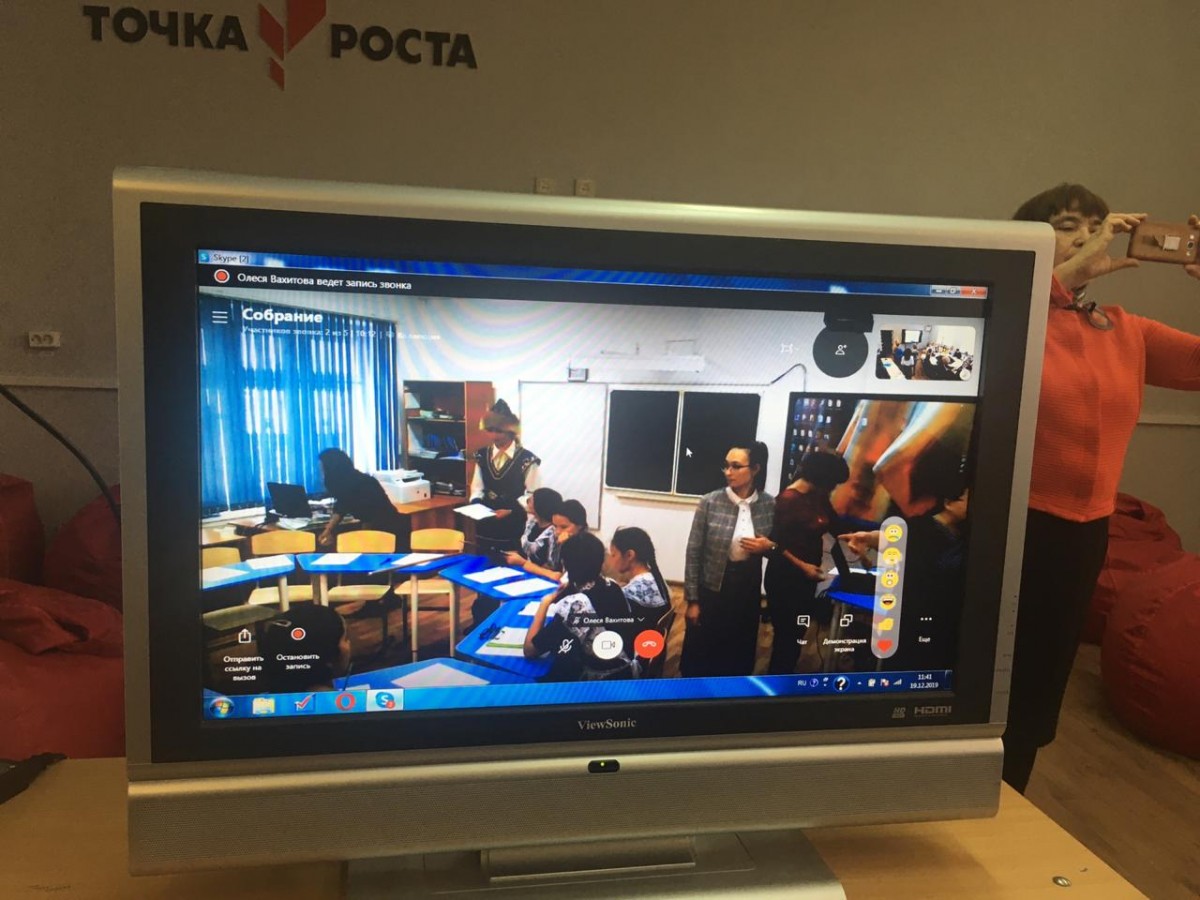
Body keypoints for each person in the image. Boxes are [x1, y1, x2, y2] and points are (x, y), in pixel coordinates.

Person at [1001, 184, 1200, 793]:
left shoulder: (1123, 328)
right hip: (1005, 524)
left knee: (1034, 696)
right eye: (1068, 225)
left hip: (1081, 535)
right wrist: (1060, 279)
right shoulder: (1008, 311)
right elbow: (987, 340)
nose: (1090, 236)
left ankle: (1005, 811)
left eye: (1097, 225)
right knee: (975, 680)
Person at [679, 441, 776, 677]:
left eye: (736, 466)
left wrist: (768, 547)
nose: (728, 472)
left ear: (755, 469)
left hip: (746, 589)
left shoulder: (768, 504)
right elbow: (693, 552)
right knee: (702, 652)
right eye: (726, 466)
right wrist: (693, 600)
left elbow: (777, 547)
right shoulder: (710, 502)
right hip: (712, 588)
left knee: (737, 653)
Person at [764, 451, 852, 675]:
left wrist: (858, 540)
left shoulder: (817, 497)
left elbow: (836, 525)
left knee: (796, 635)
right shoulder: (786, 501)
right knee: (786, 638)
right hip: (784, 578)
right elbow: (772, 546)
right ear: (823, 478)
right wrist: (803, 566)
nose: (833, 488)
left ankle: (785, 679)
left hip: (807, 577)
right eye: (833, 483)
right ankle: (776, 684)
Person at [523, 531, 637, 681]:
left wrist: (544, 604)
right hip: (625, 668)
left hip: (602, 681)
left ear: (566, 565)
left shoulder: (576, 605)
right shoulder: (612, 585)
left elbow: (530, 650)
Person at [469, 399, 541, 555]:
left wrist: (511, 510)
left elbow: (532, 494)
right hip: (486, 524)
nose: (494, 435)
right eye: (490, 430)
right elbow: (477, 488)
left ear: (511, 431)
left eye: (499, 431)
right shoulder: (482, 455)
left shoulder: (527, 460)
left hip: (513, 525)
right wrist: (476, 504)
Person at [316, 448, 410, 550]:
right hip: (381, 527)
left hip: (389, 530)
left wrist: (363, 539)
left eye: (322, 470)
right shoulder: (349, 482)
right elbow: (341, 507)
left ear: (331, 470)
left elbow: (371, 516)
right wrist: (328, 530)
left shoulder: (361, 484)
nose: (321, 474)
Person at [609, 526, 673, 676]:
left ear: (629, 555)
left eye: (613, 555)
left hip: (635, 659)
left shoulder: (630, 593)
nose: (611, 560)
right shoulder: (656, 579)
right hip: (650, 652)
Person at [259, 604, 352, 693]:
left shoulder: (258, 700)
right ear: (337, 653)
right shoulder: (346, 702)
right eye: (345, 638)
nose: (348, 644)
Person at [503, 487, 563, 578]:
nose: (528, 501)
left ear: (540, 506)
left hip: (541, 577)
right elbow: (524, 552)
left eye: (531, 500)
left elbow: (552, 569)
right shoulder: (533, 523)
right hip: (524, 571)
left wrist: (522, 562)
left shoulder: (553, 534)